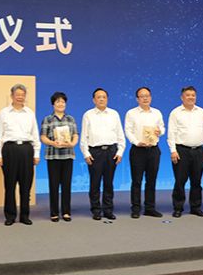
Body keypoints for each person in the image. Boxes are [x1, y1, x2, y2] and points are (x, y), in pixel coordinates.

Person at [0, 84, 41, 226]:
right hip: (9, 149)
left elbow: (35, 134)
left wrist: (36, 153)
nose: (20, 97)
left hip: (27, 150)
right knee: (9, 185)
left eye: (23, 95)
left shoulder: (30, 113)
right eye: (17, 94)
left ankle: (25, 215)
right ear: (12, 96)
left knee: (26, 185)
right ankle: (10, 216)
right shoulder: (4, 113)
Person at [80, 88, 126, 221]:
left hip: (111, 151)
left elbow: (120, 135)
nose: (101, 99)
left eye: (104, 97)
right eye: (98, 97)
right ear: (94, 100)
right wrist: (86, 153)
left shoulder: (114, 114)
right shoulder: (88, 115)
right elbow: (84, 137)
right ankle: (96, 210)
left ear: (107, 99)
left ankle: (108, 210)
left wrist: (120, 152)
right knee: (95, 182)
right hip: (95, 152)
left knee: (109, 183)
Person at [167, 86, 203, 218]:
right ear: (182, 97)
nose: (191, 97)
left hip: (198, 151)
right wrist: (173, 151)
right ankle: (178, 207)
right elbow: (171, 133)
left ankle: (195, 207)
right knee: (180, 181)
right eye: (188, 95)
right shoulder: (175, 113)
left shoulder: (201, 112)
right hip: (181, 151)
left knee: (197, 181)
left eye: (193, 95)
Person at [124, 87, 165, 219]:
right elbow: (128, 131)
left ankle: (150, 208)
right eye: (142, 96)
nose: (145, 98)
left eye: (147, 95)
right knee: (137, 180)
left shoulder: (157, 112)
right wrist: (136, 142)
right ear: (137, 99)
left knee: (151, 180)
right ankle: (136, 208)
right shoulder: (131, 113)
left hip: (153, 150)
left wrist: (160, 131)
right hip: (138, 150)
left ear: (151, 97)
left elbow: (162, 128)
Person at [40, 92, 78, 222]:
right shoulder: (48, 119)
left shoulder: (71, 119)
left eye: (63, 102)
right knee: (54, 185)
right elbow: (43, 137)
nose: (61, 104)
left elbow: (75, 135)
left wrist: (72, 143)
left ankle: (66, 212)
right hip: (53, 156)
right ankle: (54, 212)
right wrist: (52, 143)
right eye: (58, 102)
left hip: (68, 155)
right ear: (53, 104)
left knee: (66, 185)